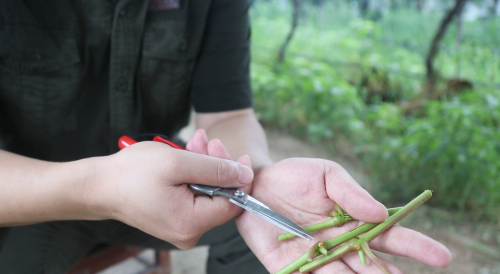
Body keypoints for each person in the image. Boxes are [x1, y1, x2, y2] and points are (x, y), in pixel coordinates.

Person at [0, 0, 452, 273]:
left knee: (263, 239)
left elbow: (229, 114)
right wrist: (98, 187)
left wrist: (254, 176)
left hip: (166, 183)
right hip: (31, 197)